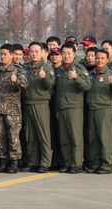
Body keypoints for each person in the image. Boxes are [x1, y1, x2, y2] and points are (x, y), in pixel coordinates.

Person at [0, 44, 28, 173]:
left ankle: (14, 162)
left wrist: (16, 81)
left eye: (5, 54)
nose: (3, 56)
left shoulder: (18, 70)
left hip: (13, 111)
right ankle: (1, 162)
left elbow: (25, 85)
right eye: (1, 54)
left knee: (13, 137)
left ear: (12, 55)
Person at [54, 45, 91, 174]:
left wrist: (76, 78)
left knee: (76, 137)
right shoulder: (59, 71)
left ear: (74, 54)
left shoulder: (80, 69)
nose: (66, 56)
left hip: (74, 107)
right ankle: (67, 162)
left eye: (69, 53)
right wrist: (58, 109)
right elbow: (57, 92)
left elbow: (87, 86)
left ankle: (76, 164)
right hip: (62, 107)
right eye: (64, 53)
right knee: (64, 138)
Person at [23, 42, 55, 173]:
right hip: (27, 103)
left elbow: (50, 85)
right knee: (30, 135)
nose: (34, 54)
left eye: (36, 51)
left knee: (43, 134)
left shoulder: (47, 68)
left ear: (42, 52)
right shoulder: (26, 68)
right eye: (31, 51)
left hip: (41, 103)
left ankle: (45, 162)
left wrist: (44, 78)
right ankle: (33, 161)